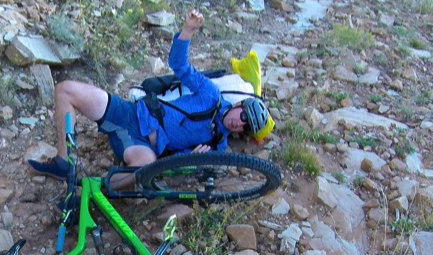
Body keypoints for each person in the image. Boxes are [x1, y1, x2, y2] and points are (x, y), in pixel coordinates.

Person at [29, 10, 271, 187]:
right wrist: (187, 31)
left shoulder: (217, 143)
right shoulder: (211, 94)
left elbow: (169, 165)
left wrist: (190, 159)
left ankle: (90, 193)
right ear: (239, 104)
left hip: (142, 148)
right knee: (65, 90)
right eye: (244, 117)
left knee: (146, 171)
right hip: (131, 113)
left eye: (245, 127)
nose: (239, 124)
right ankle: (63, 163)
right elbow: (179, 65)